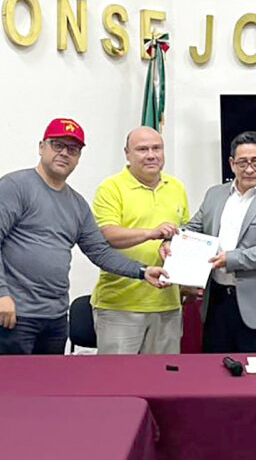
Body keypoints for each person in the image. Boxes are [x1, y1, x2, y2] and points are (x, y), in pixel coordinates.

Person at [0, 118, 168, 355]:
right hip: (14, 311)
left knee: (51, 379)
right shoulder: (15, 186)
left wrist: (142, 271)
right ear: (41, 147)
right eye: (57, 145)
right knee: (12, 379)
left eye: (73, 149)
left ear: (78, 157)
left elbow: (100, 251)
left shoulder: (77, 204)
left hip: (55, 317)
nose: (65, 153)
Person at [169, 131, 256, 352]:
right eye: (242, 162)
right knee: (215, 369)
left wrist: (231, 259)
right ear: (231, 164)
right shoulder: (214, 195)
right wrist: (172, 242)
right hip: (218, 303)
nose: (249, 169)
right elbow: (193, 229)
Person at [91, 126, 189, 354]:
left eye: (157, 148)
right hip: (120, 306)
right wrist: (152, 233)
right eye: (142, 149)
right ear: (127, 153)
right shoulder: (111, 188)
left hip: (168, 305)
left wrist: (170, 243)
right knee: (118, 375)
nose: (151, 155)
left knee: (163, 375)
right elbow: (107, 235)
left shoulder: (176, 187)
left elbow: (185, 232)